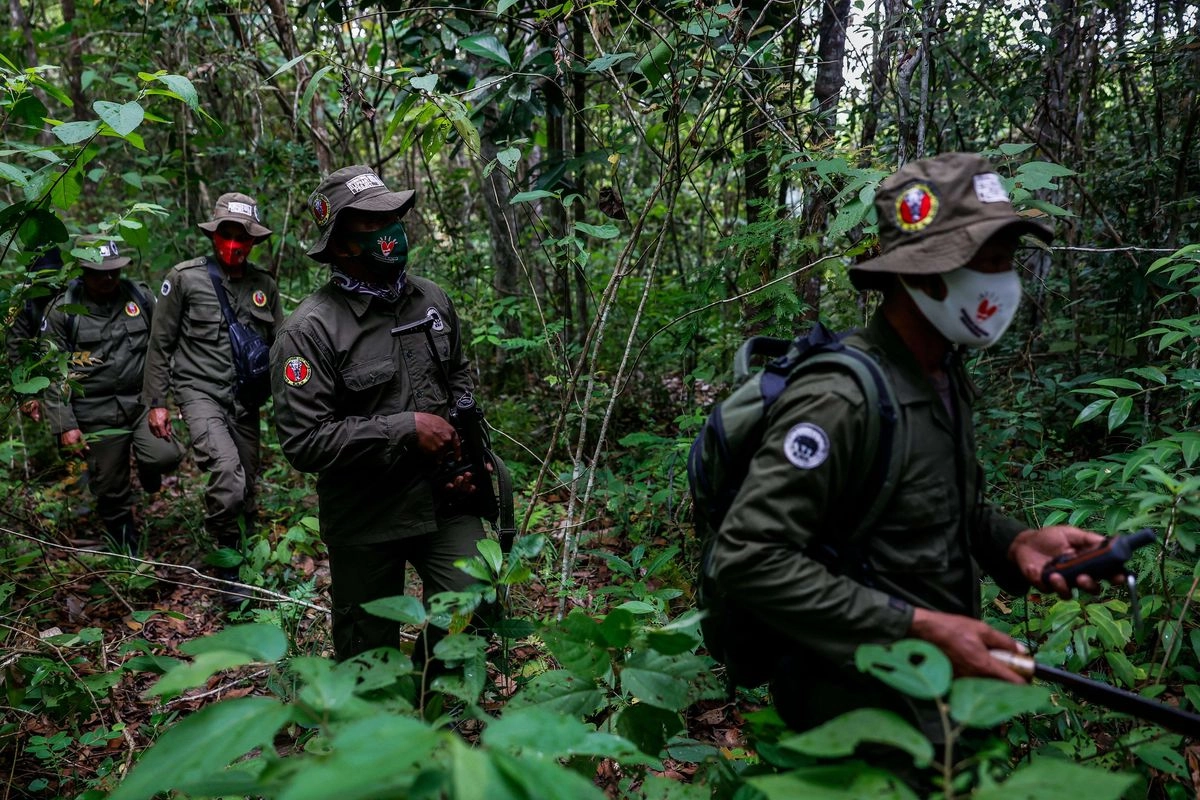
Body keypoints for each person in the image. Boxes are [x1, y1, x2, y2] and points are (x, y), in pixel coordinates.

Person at [704, 152, 1115, 739]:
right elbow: (748, 557)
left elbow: (934, 514)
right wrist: (918, 626)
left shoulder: (942, 375)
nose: (1005, 280)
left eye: (1008, 261)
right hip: (857, 716)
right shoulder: (841, 399)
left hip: (938, 705)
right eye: (989, 261)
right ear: (925, 273)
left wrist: (1017, 543)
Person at [270, 164, 486, 662]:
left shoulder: (431, 299)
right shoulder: (308, 331)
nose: (391, 230)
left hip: (444, 499)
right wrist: (403, 428)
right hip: (365, 514)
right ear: (342, 242)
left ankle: (434, 703)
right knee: (367, 652)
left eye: (393, 217)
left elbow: (457, 378)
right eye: (372, 222)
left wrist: (469, 458)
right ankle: (379, 730)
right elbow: (304, 441)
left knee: (473, 602)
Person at [142, 193, 281, 575]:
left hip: (245, 399)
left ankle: (245, 552)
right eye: (226, 236)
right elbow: (161, 343)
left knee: (248, 485)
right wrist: (157, 401)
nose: (234, 246)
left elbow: (282, 344)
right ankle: (225, 558)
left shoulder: (264, 284)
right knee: (228, 476)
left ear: (254, 241)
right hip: (199, 392)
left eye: (243, 238)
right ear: (214, 236)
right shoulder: (184, 279)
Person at [40, 236, 182, 550]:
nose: (108, 279)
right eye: (98, 273)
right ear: (82, 271)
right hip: (95, 411)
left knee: (167, 455)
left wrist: (161, 401)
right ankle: (124, 540)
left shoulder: (139, 297)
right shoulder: (64, 310)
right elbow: (53, 372)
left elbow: (161, 349)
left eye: (113, 272)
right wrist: (66, 424)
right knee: (109, 484)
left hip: (140, 401)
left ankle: (148, 468)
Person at [7, 246, 65, 422]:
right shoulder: (25, 305)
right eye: (42, 276)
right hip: (45, 376)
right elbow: (15, 351)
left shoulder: (72, 296)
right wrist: (26, 396)